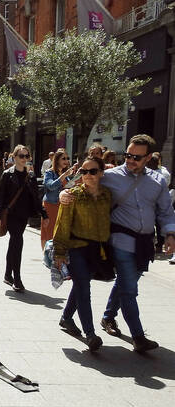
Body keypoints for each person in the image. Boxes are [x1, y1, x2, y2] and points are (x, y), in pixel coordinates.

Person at [61, 134, 175, 352]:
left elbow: (165, 211)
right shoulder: (111, 175)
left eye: (136, 157)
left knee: (125, 282)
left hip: (144, 243)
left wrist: (170, 234)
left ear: (148, 157)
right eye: (128, 155)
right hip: (120, 239)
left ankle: (104, 317)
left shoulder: (158, 181)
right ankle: (138, 337)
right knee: (129, 288)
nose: (130, 160)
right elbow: (82, 183)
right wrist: (65, 193)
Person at [53, 156, 111, 351]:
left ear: (101, 173)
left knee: (80, 284)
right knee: (84, 288)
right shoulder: (73, 195)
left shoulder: (108, 196)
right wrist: (59, 252)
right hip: (76, 248)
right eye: (83, 172)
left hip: (97, 249)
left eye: (92, 171)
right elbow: (62, 225)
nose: (87, 175)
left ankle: (66, 318)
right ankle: (90, 334)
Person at [0, 145, 49, 292]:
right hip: (11, 215)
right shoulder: (7, 174)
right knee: (17, 241)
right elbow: (0, 197)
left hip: (24, 216)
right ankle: (17, 279)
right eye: (21, 156)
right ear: (14, 157)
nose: (24, 159)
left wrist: (44, 214)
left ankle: (7, 274)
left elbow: (36, 198)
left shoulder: (30, 176)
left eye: (26, 156)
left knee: (14, 244)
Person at [42, 151, 79, 249]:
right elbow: (51, 186)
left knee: (59, 232)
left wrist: (77, 176)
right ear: (57, 160)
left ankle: (56, 256)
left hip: (61, 205)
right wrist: (65, 175)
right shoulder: (49, 172)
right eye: (63, 158)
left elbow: (68, 186)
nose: (66, 161)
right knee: (49, 233)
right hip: (50, 205)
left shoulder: (63, 173)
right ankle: (47, 256)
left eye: (67, 158)